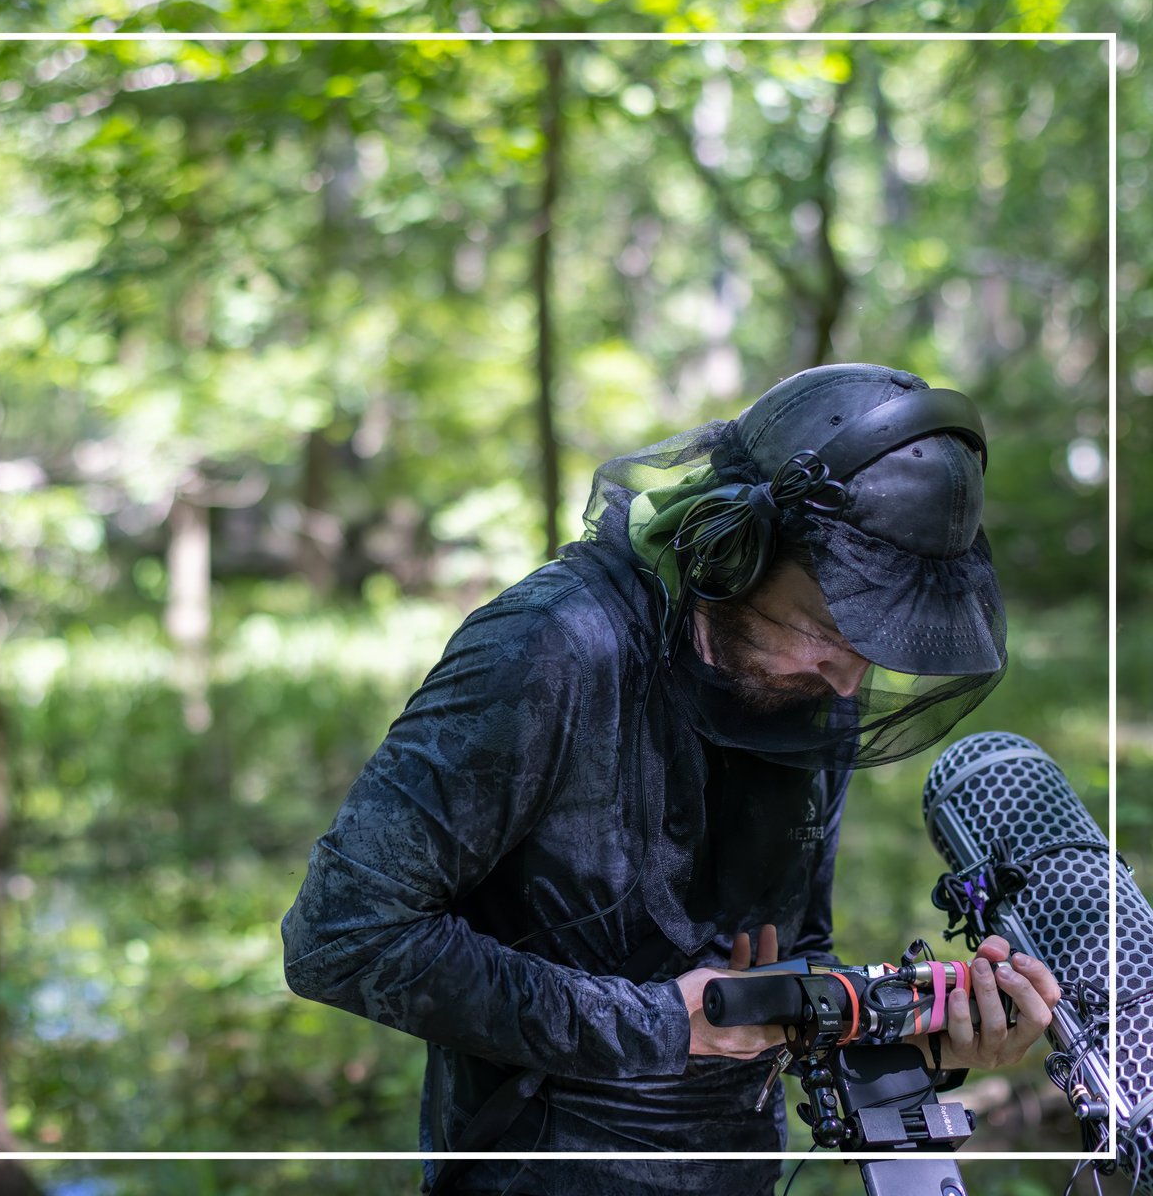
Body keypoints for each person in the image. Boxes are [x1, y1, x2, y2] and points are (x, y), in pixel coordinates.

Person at [281, 363, 1061, 1195]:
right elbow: (342, 936)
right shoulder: (551, 651)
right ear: (732, 551)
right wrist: (657, 1026)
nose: (845, 682)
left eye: (871, 646)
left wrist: (918, 1041)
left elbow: (788, 959)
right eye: (827, 630)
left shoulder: (807, 689)